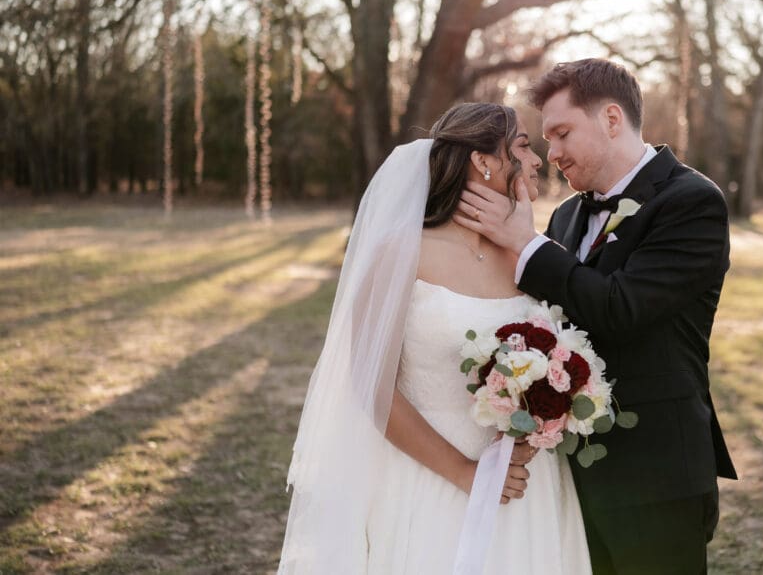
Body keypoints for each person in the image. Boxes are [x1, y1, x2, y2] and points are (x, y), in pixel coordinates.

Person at [277, 102, 591, 574]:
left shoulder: (527, 255)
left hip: (528, 485)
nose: (537, 160)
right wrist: (466, 475)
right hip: (431, 480)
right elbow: (370, 385)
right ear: (483, 161)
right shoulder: (400, 254)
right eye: (523, 146)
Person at [456, 59, 737, 574]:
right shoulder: (566, 214)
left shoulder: (691, 201)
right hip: (570, 477)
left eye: (562, 133)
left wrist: (525, 244)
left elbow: (620, 308)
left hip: (657, 475)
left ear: (611, 119)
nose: (552, 152)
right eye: (545, 138)